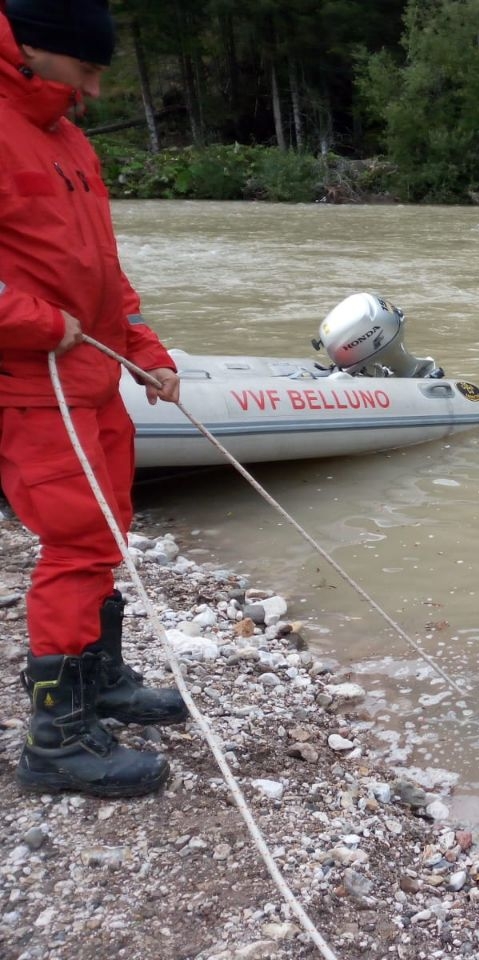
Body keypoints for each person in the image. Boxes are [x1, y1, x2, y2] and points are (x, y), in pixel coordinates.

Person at [0, 0, 188, 798]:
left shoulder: (68, 137)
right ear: (37, 49)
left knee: (107, 533)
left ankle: (99, 676)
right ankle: (56, 739)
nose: (98, 89)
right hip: (34, 384)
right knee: (76, 545)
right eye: (89, 70)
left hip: (93, 378)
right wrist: (41, 324)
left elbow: (104, 271)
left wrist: (143, 348)